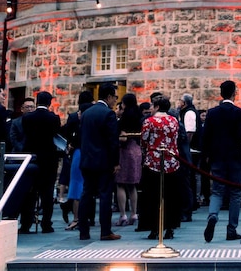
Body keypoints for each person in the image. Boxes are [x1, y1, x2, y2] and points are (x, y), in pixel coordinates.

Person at [201, 80, 241, 243]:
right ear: (234, 93)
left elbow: (205, 136)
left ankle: (213, 215)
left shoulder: (212, 113)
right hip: (235, 157)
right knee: (235, 193)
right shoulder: (240, 112)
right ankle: (231, 229)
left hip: (217, 157)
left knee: (217, 191)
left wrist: (207, 155)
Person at [78, 83, 121, 241]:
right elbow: (112, 141)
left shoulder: (86, 113)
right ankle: (105, 231)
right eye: (115, 97)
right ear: (109, 97)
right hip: (103, 161)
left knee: (86, 194)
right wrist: (116, 162)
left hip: (87, 160)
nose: (115, 101)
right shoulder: (108, 114)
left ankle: (83, 231)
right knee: (105, 195)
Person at [139, 96, 182, 240]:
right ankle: (170, 227)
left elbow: (144, 141)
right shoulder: (174, 120)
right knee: (171, 196)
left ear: (157, 107)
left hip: (154, 162)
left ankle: (154, 228)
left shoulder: (149, 122)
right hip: (172, 162)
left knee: (152, 197)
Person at [20, 90, 61, 234]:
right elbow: (56, 135)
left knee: (29, 193)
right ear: (49, 103)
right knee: (47, 194)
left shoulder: (27, 118)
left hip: (32, 158)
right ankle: (46, 225)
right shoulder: (54, 118)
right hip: (48, 159)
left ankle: (25, 224)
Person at [63, 92, 93, 231]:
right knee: (89, 186)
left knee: (76, 186)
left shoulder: (75, 117)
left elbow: (68, 134)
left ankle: (76, 218)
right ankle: (88, 217)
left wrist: (70, 145)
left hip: (78, 152)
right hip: (91, 153)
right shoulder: (95, 117)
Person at [115, 93, 143, 227]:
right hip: (136, 150)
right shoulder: (138, 117)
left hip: (125, 150)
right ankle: (134, 213)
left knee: (120, 183)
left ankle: (123, 215)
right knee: (133, 185)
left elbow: (121, 136)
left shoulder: (124, 118)